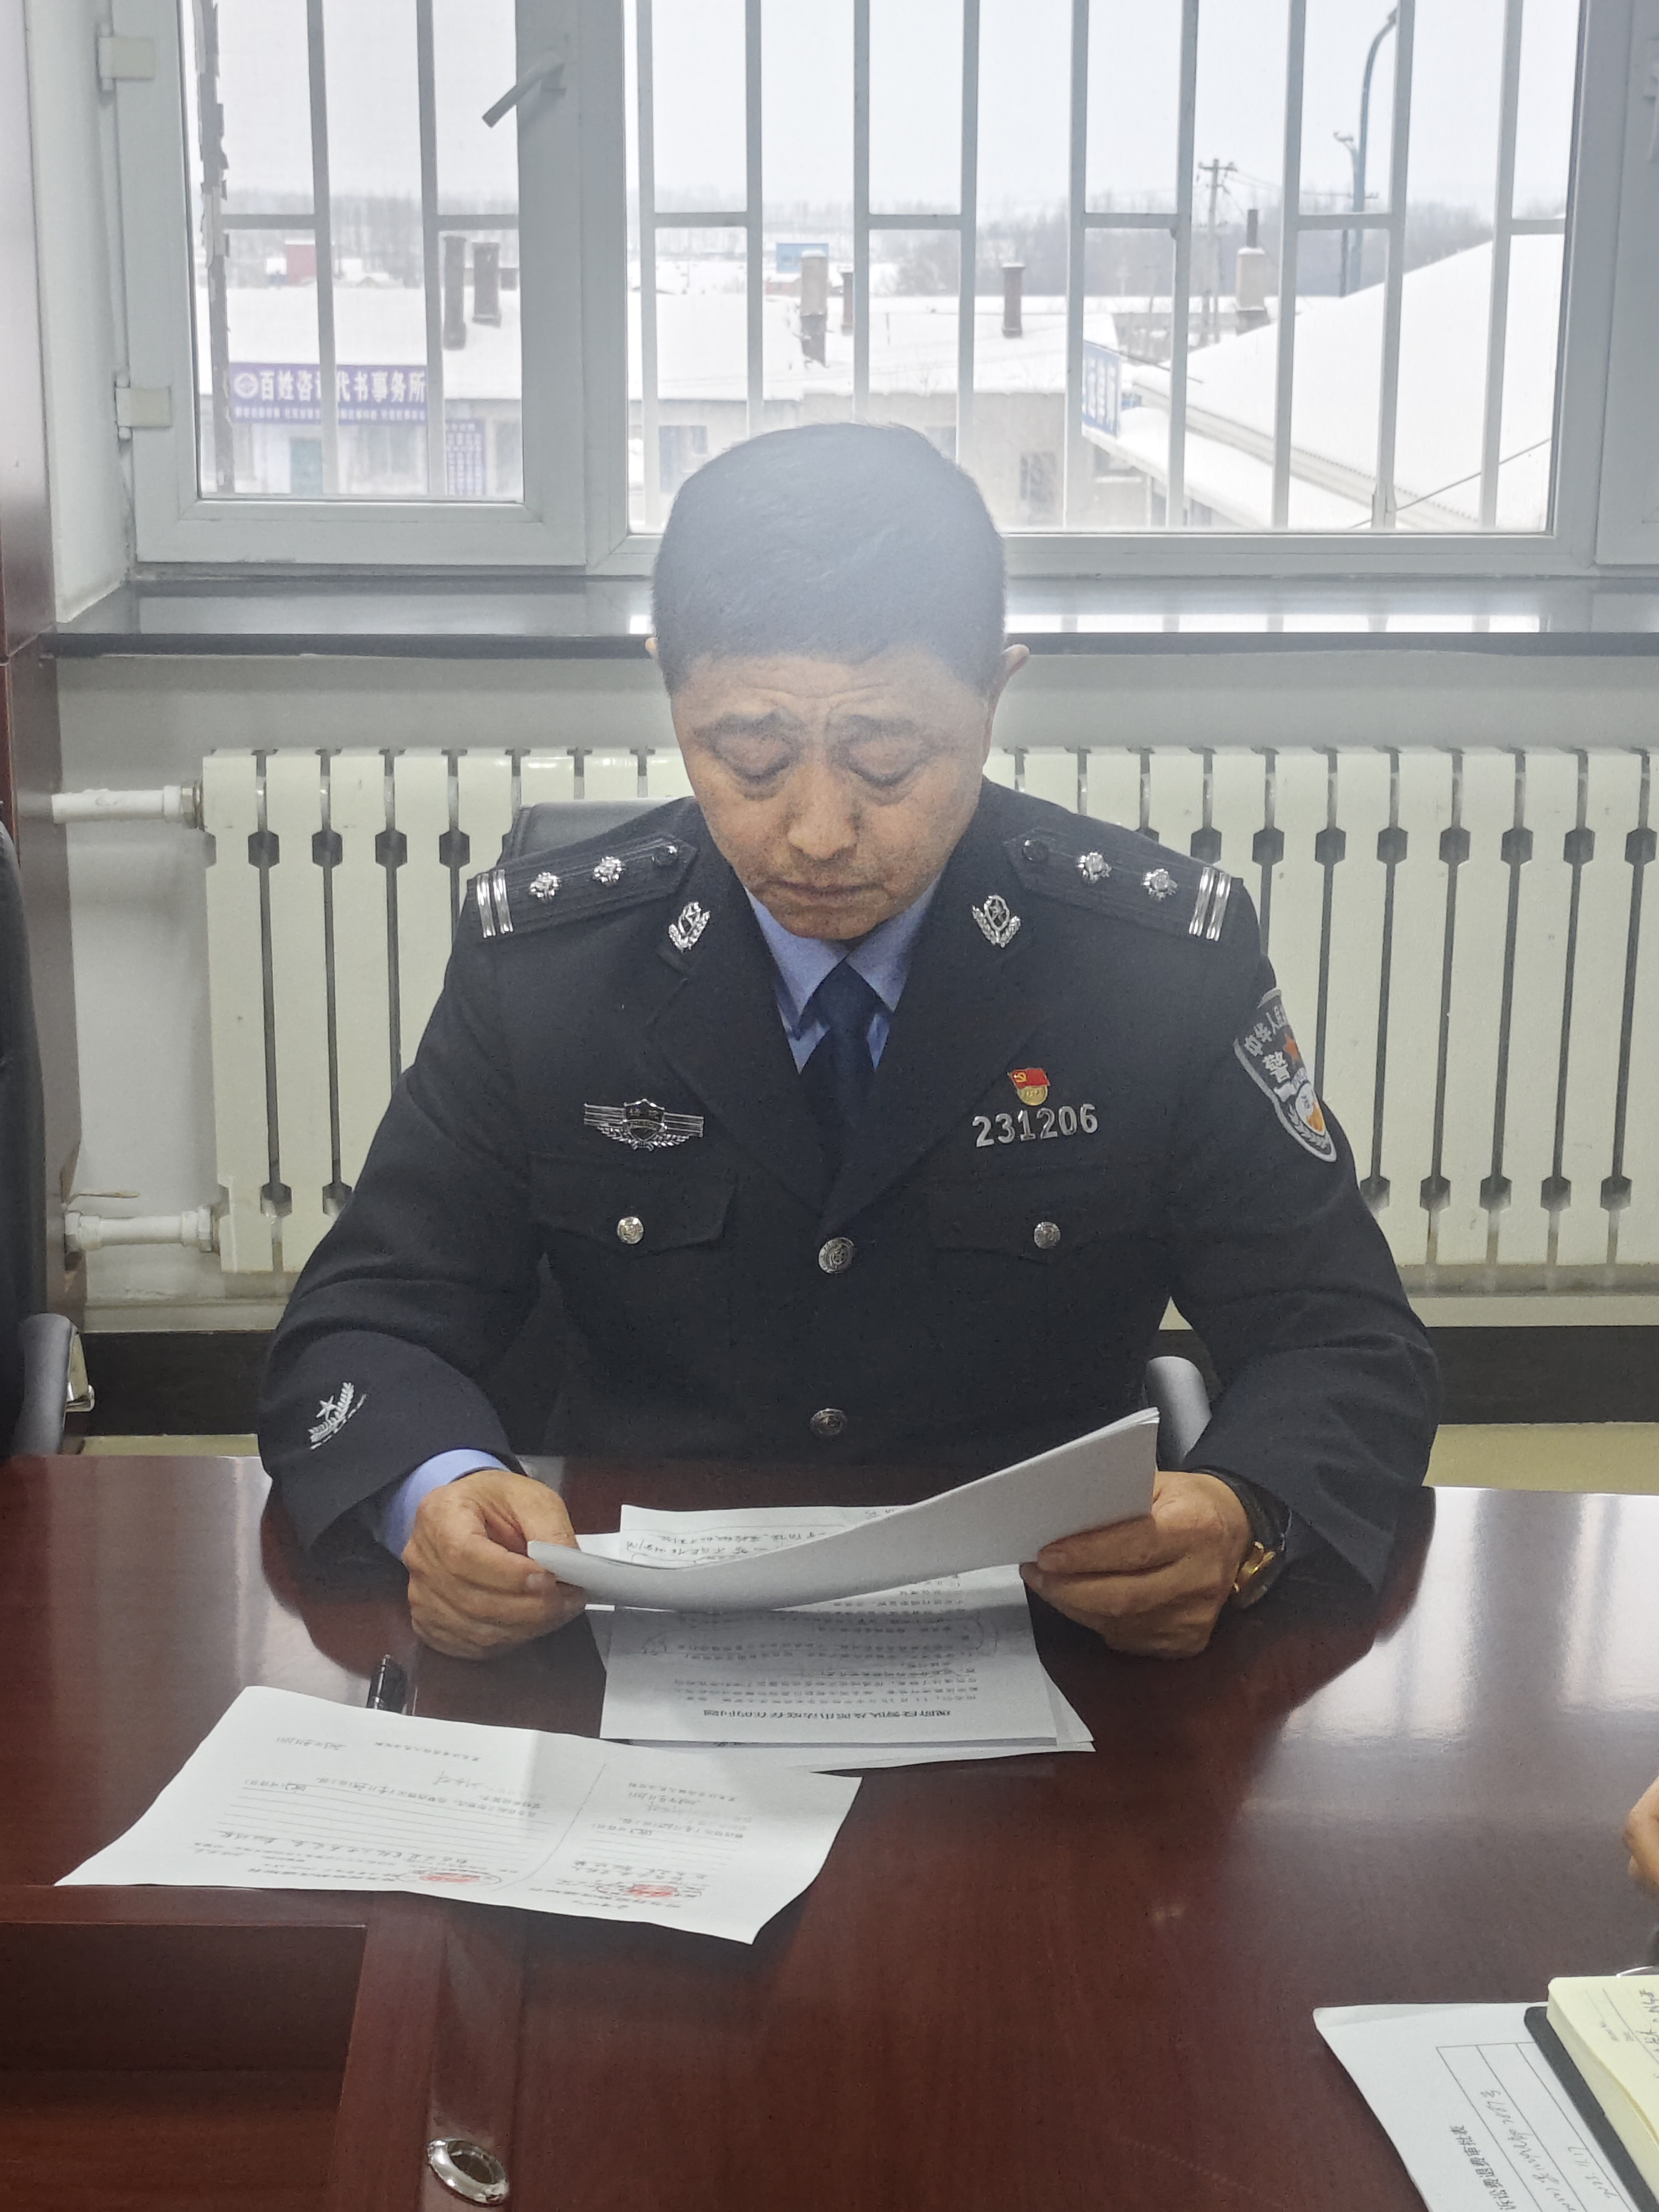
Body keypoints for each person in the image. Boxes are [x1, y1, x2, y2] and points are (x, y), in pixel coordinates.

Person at [258, 423, 1438, 1661]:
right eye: (750, 754)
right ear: (671, 689)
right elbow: (363, 1324)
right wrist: (434, 1492)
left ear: (993, 694)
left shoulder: (1156, 963)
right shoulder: (547, 967)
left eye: (887, 755)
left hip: (1052, 1626)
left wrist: (1243, 1514)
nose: (818, 830)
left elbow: (1344, 1338)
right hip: (636, 1618)